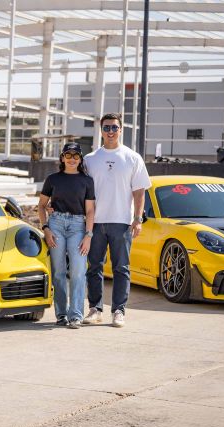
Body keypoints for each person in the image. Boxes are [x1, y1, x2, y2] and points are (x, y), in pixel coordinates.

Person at [82, 113, 151, 328]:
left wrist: (137, 219)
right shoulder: (90, 159)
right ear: (101, 131)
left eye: (114, 127)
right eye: (106, 128)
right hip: (95, 223)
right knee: (94, 267)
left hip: (122, 222)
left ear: (121, 130)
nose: (110, 131)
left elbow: (140, 193)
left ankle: (119, 311)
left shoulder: (133, 158)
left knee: (122, 268)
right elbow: (81, 192)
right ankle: (95, 309)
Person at [37, 142, 95, 329]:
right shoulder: (53, 179)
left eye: (75, 156)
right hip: (56, 226)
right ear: (62, 158)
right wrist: (46, 228)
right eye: (68, 155)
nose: (72, 159)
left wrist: (88, 235)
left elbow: (90, 211)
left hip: (79, 227)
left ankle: (76, 315)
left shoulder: (87, 181)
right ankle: (61, 314)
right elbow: (41, 205)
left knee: (78, 272)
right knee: (59, 273)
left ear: (80, 159)